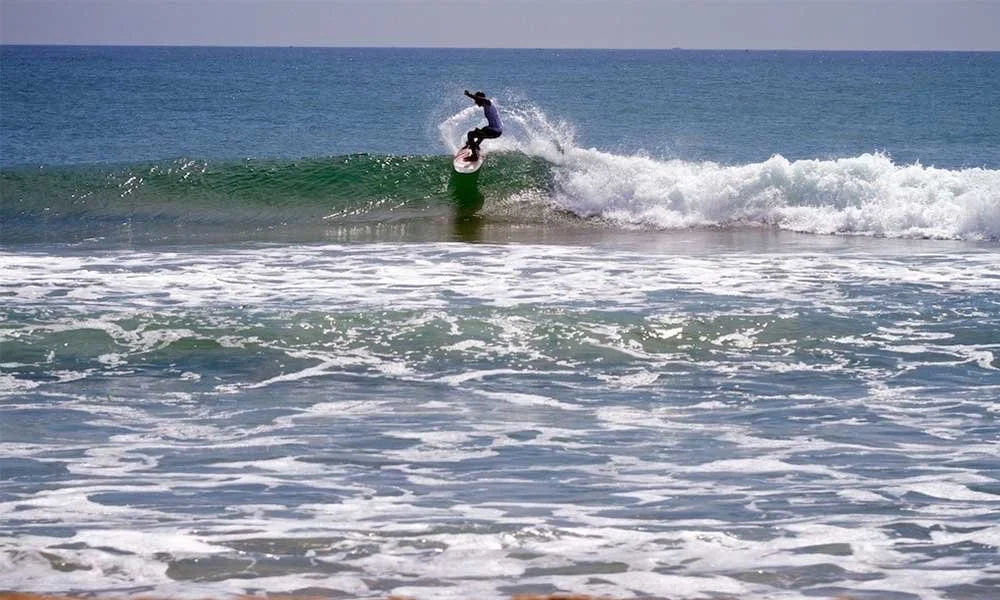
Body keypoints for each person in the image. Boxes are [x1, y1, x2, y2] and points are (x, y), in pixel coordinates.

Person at [462, 90, 502, 161]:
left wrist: (469, 95)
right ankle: (476, 145)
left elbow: (481, 99)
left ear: (480, 99)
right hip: (494, 130)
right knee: (482, 130)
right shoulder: (487, 105)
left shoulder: (488, 103)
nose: (476, 102)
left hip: (495, 131)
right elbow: (479, 98)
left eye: (477, 100)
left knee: (470, 134)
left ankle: (474, 156)